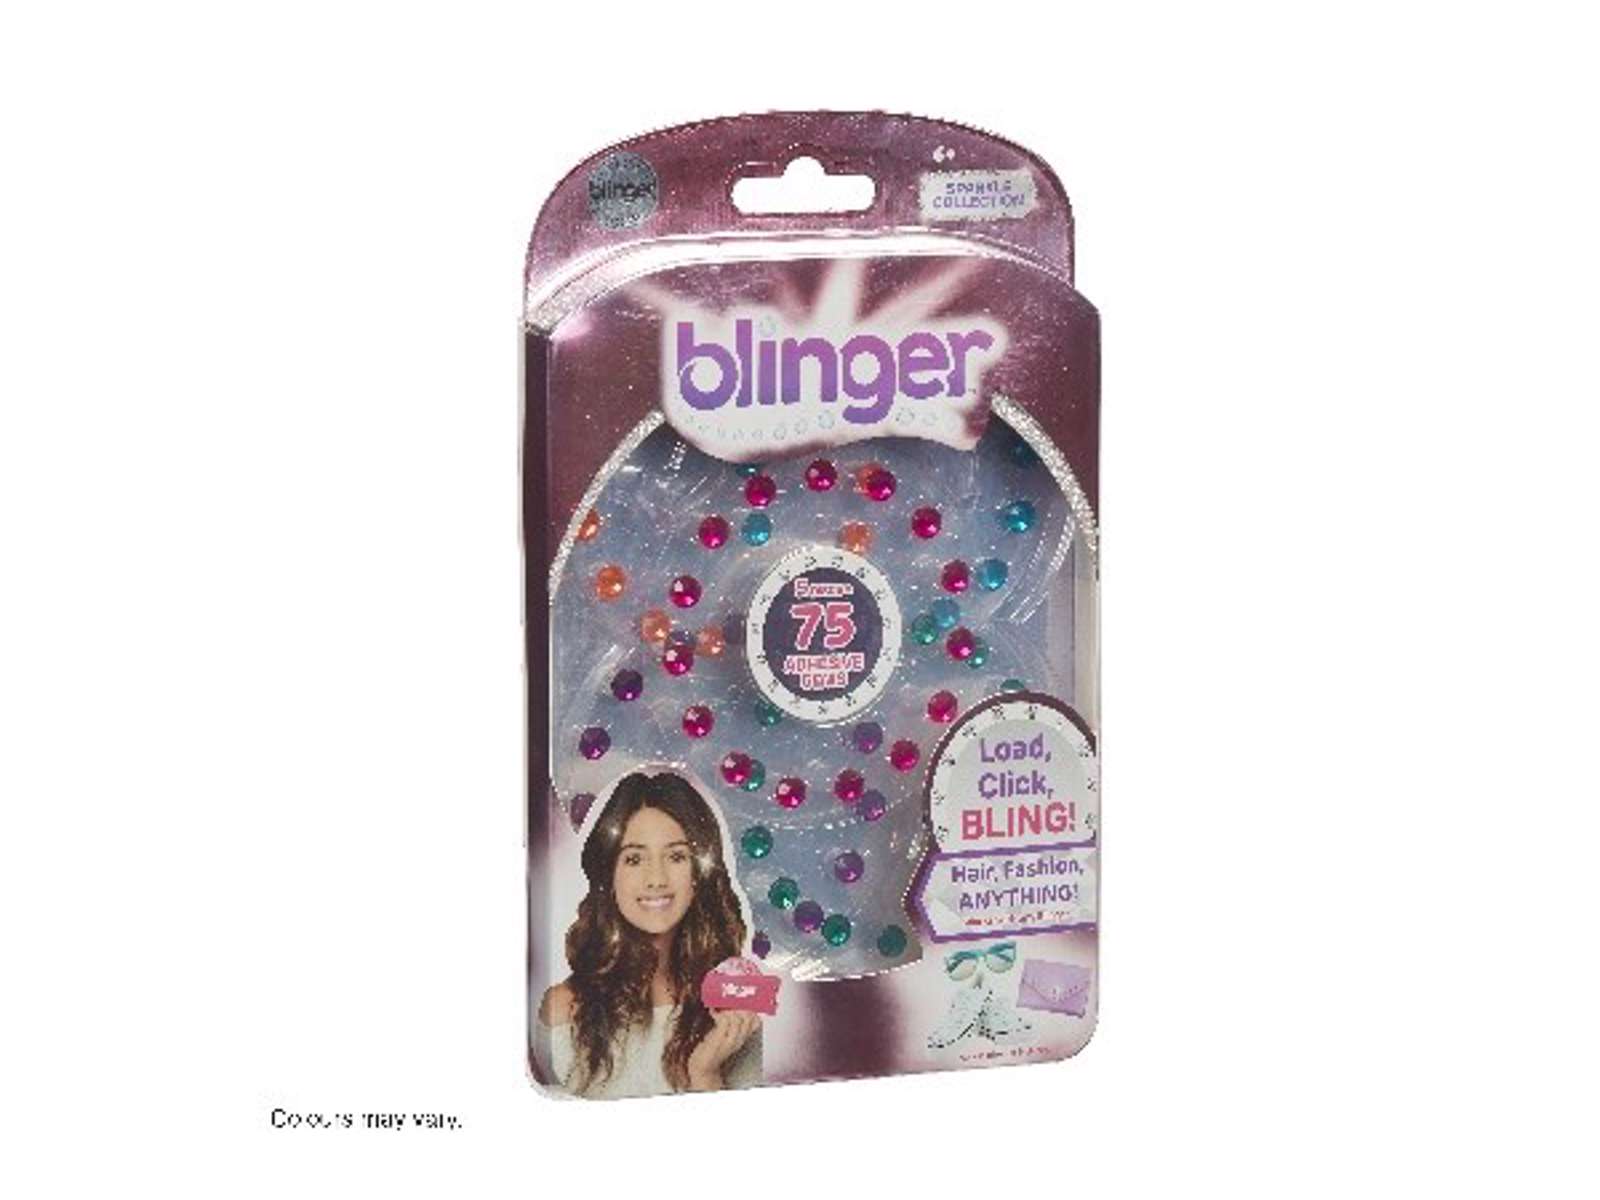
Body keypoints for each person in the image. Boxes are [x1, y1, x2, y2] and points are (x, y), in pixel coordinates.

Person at [537, 771, 762, 1097]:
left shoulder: (733, 1011)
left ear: (699, 873)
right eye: (634, 859)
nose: (656, 878)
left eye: (676, 856)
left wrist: (705, 1075)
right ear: (609, 875)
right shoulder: (562, 1010)